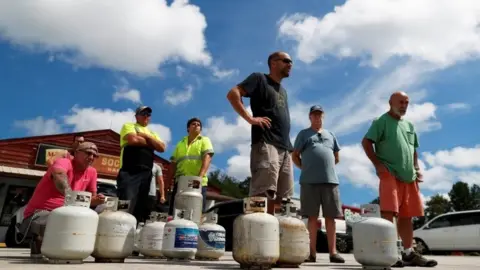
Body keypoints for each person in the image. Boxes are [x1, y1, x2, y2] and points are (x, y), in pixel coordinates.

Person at [361, 91, 437, 267]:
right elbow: (366, 142)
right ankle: (389, 254)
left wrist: (417, 168)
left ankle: (409, 253)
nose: (404, 105)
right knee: (389, 212)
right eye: (400, 102)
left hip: (409, 177)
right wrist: (377, 165)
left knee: (407, 215)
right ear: (390, 103)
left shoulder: (409, 125)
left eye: (406, 103)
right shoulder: (381, 122)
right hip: (390, 174)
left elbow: (413, 149)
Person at [226, 51, 294, 215]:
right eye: (286, 61)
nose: (290, 64)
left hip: (285, 148)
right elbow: (233, 94)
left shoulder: (283, 91)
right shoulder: (259, 78)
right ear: (273, 63)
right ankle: (254, 233)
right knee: (262, 193)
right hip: (266, 143)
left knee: (282, 199)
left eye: (291, 61)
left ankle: (269, 235)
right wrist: (250, 118)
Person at [19, 142, 105, 257]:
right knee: (60, 220)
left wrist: (98, 200)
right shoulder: (64, 162)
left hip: (70, 215)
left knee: (103, 213)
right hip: (37, 216)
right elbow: (59, 176)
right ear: (76, 152)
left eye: (95, 156)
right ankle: (37, 241)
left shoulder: (92, 172)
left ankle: (95, 251)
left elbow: (91, 199)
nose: (91, 157)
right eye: (88, 153)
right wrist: (71, 197)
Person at [292, 105, 345, 263]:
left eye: (320, 115)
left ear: (323, 116)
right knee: (312, 218)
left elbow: (336, 157)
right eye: (314, 115)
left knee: (331, 218)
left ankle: (333, 253)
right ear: (310, 117)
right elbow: (295, 156)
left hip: (330, 181)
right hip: (309, 182)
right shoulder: (303, 134)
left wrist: (325, 168)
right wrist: (305, 167)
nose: (317, 117)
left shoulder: (331, 135)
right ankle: (311, 253)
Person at [116, 105, 166, 224]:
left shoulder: (152, 132)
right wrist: (152, 143)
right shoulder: (129, 126)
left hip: (146, 173)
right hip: (130, 171)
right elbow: (133, 140)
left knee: (140, 206)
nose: (146, 116)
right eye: (143, 113)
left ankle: (135, 230)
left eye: (148, 114)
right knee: (126, 203)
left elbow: (162, 147)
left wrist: (146, 136)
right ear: (136, 116)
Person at [168, 118, 214, 215]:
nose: (197, 125)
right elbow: (173, 164)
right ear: (188, 128)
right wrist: (167, 183)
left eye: (199, 125)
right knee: (176, 212)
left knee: (195, 212)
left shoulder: (204, 140)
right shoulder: (180, 143)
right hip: (180, 182)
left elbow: (207, 158)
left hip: (197, 181)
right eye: (193, 124)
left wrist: (199, 178)